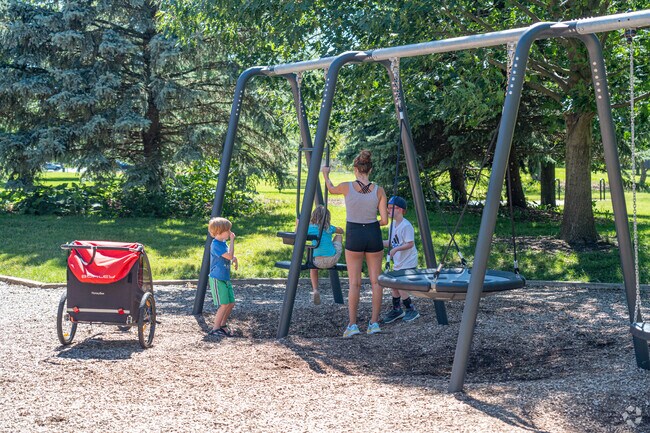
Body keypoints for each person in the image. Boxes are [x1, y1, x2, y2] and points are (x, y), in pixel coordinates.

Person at [321, 150, 388, 337]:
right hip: (373, 234)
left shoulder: (347, 187)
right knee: (376, 282)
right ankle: (374, 323)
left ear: (355, 169)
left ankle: (352, 325)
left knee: (354, 283)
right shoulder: (379, 190)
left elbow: (331, 188)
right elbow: (384, 220)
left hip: (354, 234)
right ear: (370, 169)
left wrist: (325, 174)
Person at [381, 196, 420, 324]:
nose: (389, 210)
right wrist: (377, 243)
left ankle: (411, 310)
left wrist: (395, 250)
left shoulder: (406, 226)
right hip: (399, 262)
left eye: (393, 208)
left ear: (401, 210)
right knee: (394, 286)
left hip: (408, 261)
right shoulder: (393, 225)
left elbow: (410, 243)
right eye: (388, 207)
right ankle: (397, 309)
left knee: (400, 285)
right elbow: (392, 243)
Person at [303, 205, 344, 305]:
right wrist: (336, 229)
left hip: (317, 262)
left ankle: (315, 289)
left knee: (313, 268)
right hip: (332, 260)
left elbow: (299, 232)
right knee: (338, 236)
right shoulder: (329, 228)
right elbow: (341, 231)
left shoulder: (310, 228)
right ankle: (332, 250)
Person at [207, 217, 239, 337]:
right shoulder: (215, 245)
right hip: (217, 278)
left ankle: (223, 325)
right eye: (228, 230)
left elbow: (229, 256)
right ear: (219, 232)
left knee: (231, 303)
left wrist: (234, 259)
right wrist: (232, 240)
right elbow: (229, 256)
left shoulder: (222, 243)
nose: (230, 233)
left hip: (225, 278)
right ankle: (215, 328)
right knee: (224, 304)